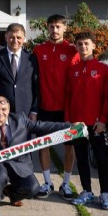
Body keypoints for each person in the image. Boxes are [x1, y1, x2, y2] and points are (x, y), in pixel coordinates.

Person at [64, 32, 108, 209]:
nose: (83, 47)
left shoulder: (103, 69)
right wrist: (70, 120)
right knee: (82, 159)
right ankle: (87, 191)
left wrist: (103, 120)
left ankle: (105, 193)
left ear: (93, 46)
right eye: (79, 44)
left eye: (86, 44)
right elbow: (68, 97)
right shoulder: (72, 71)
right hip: (78, 124)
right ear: (75, 47)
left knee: (102, 159)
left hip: (97, 124)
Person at [33, 14, 77, 200]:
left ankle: (66, 183)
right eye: (51, 26)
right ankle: (47, 182)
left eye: (58, 26)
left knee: (69, 146)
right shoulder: (38, 49)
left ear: (64, 28)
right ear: (47, 28)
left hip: (66, 108)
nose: (54, 30)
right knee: (44, 145)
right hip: (44, 106)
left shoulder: (72, 50)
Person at [0, 23, 38, 119]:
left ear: (23, 38)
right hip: (0, 111)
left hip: (25, 111)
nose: (15, 41)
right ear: (6, 37)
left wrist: (34, 110)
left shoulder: (31, 58)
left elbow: (36, 86)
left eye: (19, 37)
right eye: (12, 37)